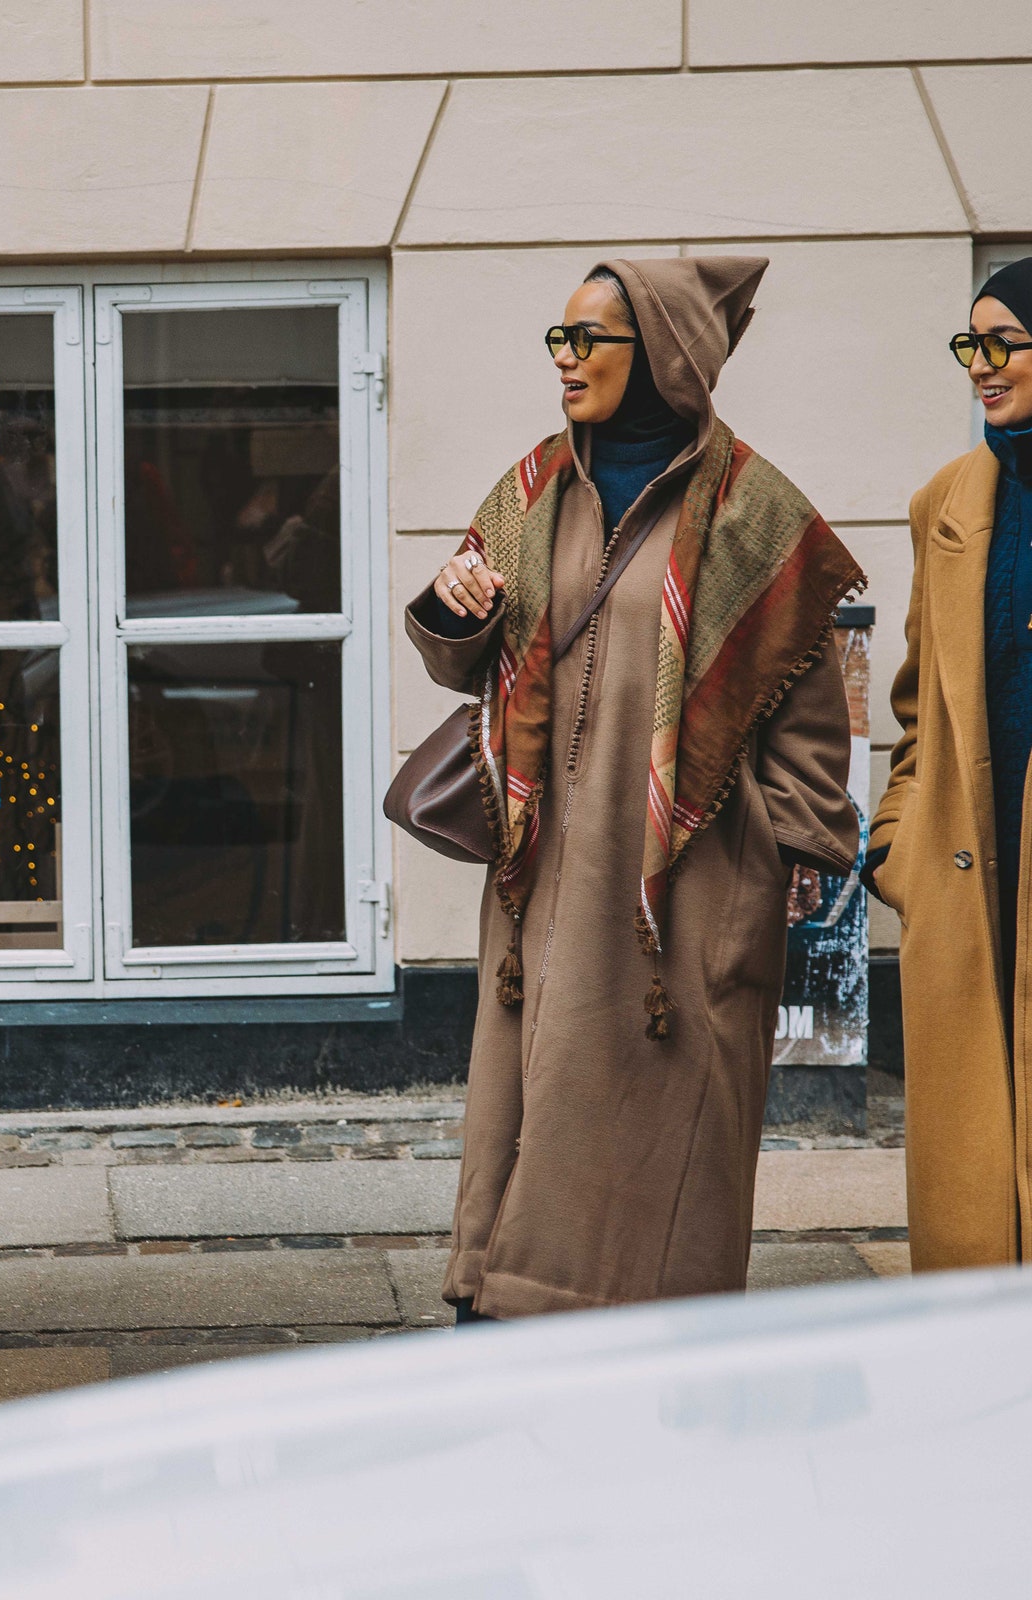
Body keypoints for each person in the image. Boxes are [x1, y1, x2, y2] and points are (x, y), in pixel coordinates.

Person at [407, 258, 862, 1321]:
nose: (562, 362)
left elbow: (811, 727)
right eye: (555, 341)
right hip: (545, 858)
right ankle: (505, 1293)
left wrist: (771, 859)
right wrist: (453, 607)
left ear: (660, 356)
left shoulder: (756, 514)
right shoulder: (530, 491)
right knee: (534, 1092)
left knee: (663, 1130)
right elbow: (464, 658)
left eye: (586, 342)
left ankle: (658, 1347)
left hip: (685, 883)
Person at [866, 257, 1032, 1270]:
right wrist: (897, 851)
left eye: (1001, 342)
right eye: (969, 345)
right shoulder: (948, 502)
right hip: (971, 884)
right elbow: (916, 708)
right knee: (977, 1221)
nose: (979, 364)